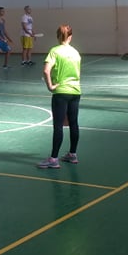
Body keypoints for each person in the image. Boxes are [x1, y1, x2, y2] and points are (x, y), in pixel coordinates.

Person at [37, 24, 82, 169]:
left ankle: (53, 159)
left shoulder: (54, 51)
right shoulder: (76, 53)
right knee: (74, 123)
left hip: (61, 92)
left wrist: (50, 86)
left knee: (58, 125)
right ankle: (72, 154)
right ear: (70, 37)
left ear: (57, 36)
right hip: (75, 91)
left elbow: (46, 71)